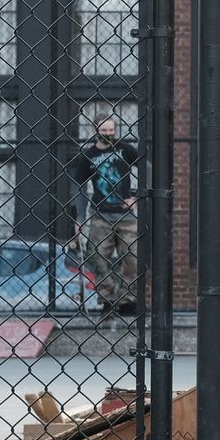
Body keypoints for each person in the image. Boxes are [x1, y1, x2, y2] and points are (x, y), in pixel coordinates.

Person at [71, 115, 141, 316]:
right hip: (100, 216)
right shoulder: (88, 156)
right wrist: (80, 218)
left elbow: (148, 167)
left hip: (126, 216)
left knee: (132, 259)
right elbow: (79, 187)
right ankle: (108, 300)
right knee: (99, 258)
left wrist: (137, 196)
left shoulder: (126, 149)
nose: (109, 135)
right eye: (104, 131)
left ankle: (128, 301)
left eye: (111, 131)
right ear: (96, 131)